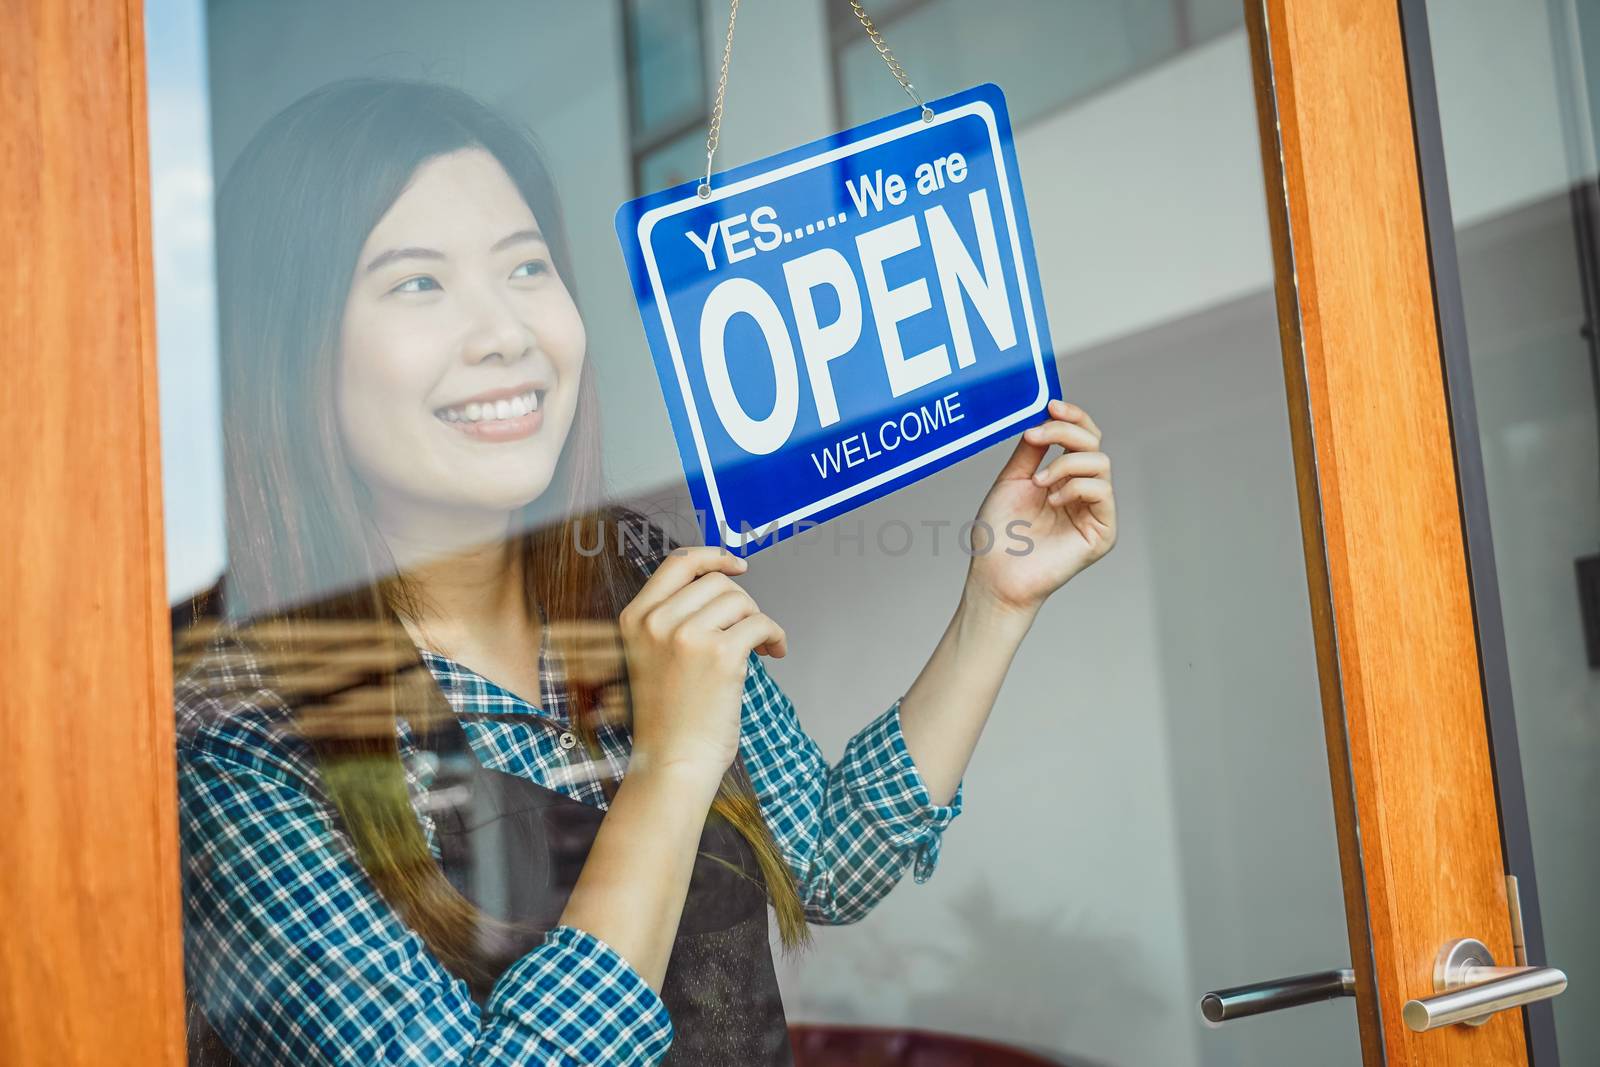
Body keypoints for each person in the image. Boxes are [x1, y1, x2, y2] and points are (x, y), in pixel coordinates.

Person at [173, 78, 1117, 1067]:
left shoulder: (631, 577)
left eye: (526, 267)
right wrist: (665, 767)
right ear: (289, 351)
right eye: (419, 283)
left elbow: (826, 862)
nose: (507, 332)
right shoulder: (238, 733)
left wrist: (995, 601)